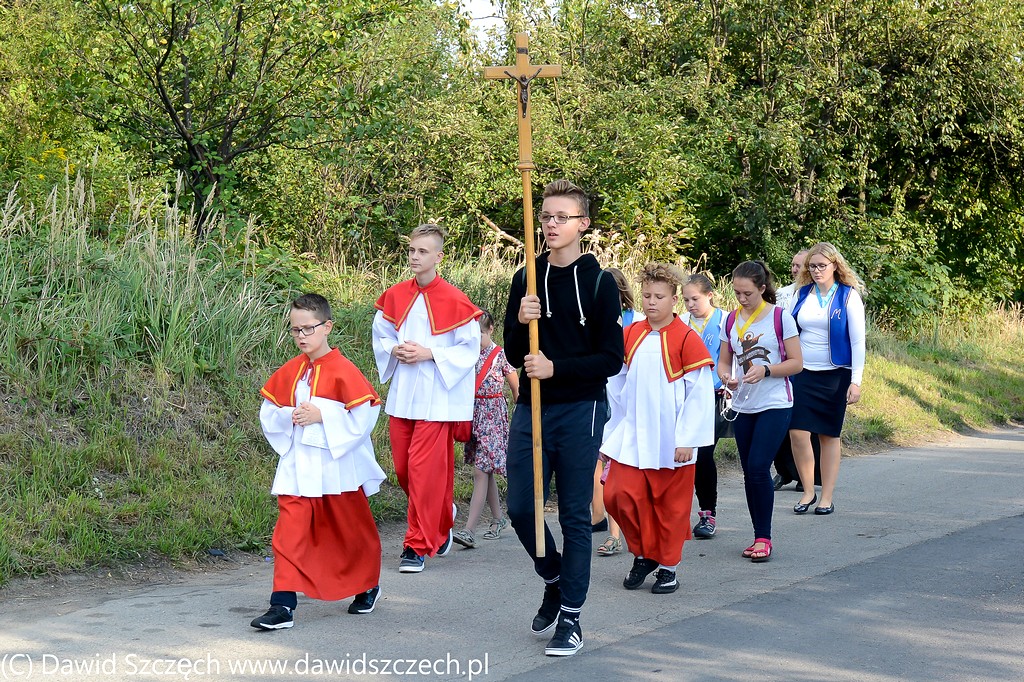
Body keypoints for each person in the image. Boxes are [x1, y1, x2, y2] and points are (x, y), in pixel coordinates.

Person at [503, 179, 623, 657]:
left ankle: (571, 617)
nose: (551, 224)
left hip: (581, 408)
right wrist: (521, 321)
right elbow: (513, 352)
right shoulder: (526, 278)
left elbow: (611, 358)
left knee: (574, 515)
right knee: (520, 508)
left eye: (562, 217)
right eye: (546, 216)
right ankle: (553, 578)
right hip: (532, 407)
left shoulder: (599, 283)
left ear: (583, 224)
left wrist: (557, 368)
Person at [250, 293, 387, 630]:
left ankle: (367, 584)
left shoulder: (345, 370)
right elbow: (269, 413)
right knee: (288, 534)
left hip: (336, 467)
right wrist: (289, 415)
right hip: (298, 466)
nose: (301, 336)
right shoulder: (290, 371)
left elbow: (364, 416)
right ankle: (282, 605)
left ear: (327, 327)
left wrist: (322, 414)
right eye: (295, 330)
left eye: (308, 329)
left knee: (351, 531)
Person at [372, 224, 482, 573]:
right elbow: (381, 333)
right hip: (404, 393)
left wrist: (429, 353)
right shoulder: (395, 295)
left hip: (438, 397)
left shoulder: (456, 299)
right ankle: (441, 514)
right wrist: (394, 349)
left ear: (439, 256)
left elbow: (470, 349)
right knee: (404, 470)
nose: (415, 257)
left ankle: (416, 546)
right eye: (411, 250)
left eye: (422, 251)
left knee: (422, 471)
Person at [601, 263, 716, 594]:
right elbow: (616, 385)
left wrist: (688, 439)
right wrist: (614, 431)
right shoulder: (631, 334)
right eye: (647, 295)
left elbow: (699, 394)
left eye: (659, 297)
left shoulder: (687, 338)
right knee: (618, 495)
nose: (651, 302)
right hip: (634, 434)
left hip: (672, 439)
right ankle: (644, 554)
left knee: (670, 508)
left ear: (674, 299)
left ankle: (668, 567)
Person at [718, 262, 803, 563]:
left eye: (748, 293)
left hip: (775, 402)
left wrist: (767, 370)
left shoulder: (780, 318)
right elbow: (724, 361)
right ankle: (757, 535)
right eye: (737, 293)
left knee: (757, 466)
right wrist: (726, 377)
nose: (742, 299)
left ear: (762, 288)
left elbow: (797, 363)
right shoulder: (730, 320)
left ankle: (764, 537)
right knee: (749, 472)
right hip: (743, 404)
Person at [788, 242, 866, 516]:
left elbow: (858, 341)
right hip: (803, 373)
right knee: (797, 432)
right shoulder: (802, 294)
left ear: (835, 265)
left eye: (822, 265)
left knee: (828, 435)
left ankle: (826, 497)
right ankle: (808, 491)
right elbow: (790, 330)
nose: (817, 270)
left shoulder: (848, 296)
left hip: (836, 374)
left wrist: (856, 381)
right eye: (812, 266)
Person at [453, 310, 519, 548]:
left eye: (480, 333)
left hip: (493, 416)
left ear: (491, 330)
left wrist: (521, 418)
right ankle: (498, 519)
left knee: (481, 471)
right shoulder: (467, 355)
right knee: (485, 470)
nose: (477, 339)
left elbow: (516, 388)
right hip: (474, 415)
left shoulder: (500, 355)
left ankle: (469, 530)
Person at [591, 266, 639, 555]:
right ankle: (611, 533)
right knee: (605, 468)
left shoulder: (638, 322)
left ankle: (636, 531)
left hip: (631, 407)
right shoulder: (593, 320)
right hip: (603, 401)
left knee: (628, 474)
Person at [680, 272, 727, 539]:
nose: (690, 305)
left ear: (710, 295)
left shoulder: (725, 320)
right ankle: (677, 513)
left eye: (695, 299)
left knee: (704, 455)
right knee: (684, 457)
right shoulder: (680, 322)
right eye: (686, 300)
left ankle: (708, 513)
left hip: (714, 396)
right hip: (685, 397)